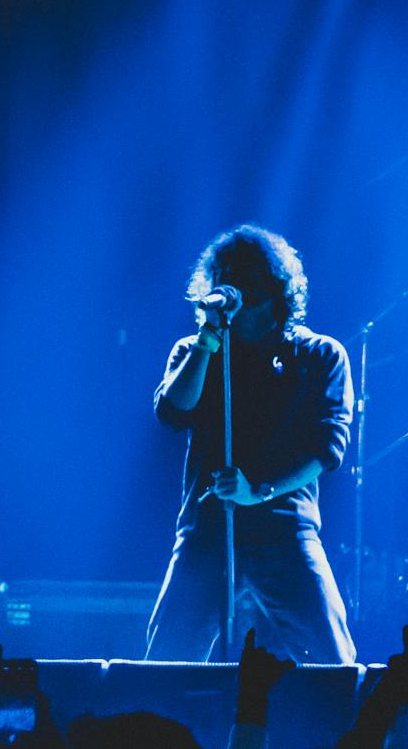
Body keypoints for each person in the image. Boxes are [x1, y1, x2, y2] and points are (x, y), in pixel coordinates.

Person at [146, 224, 356, 664]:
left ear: (271, 287)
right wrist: (207, 341)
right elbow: (171, 413)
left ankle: (351, 730)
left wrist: (256, 488)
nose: (229, 284)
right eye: (221, 275)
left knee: (332, 660)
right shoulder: (195, 350)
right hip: (208, 530)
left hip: (284, 529)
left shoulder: (320, 355)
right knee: (166, 661)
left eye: (242, 275)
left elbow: (326, 448)